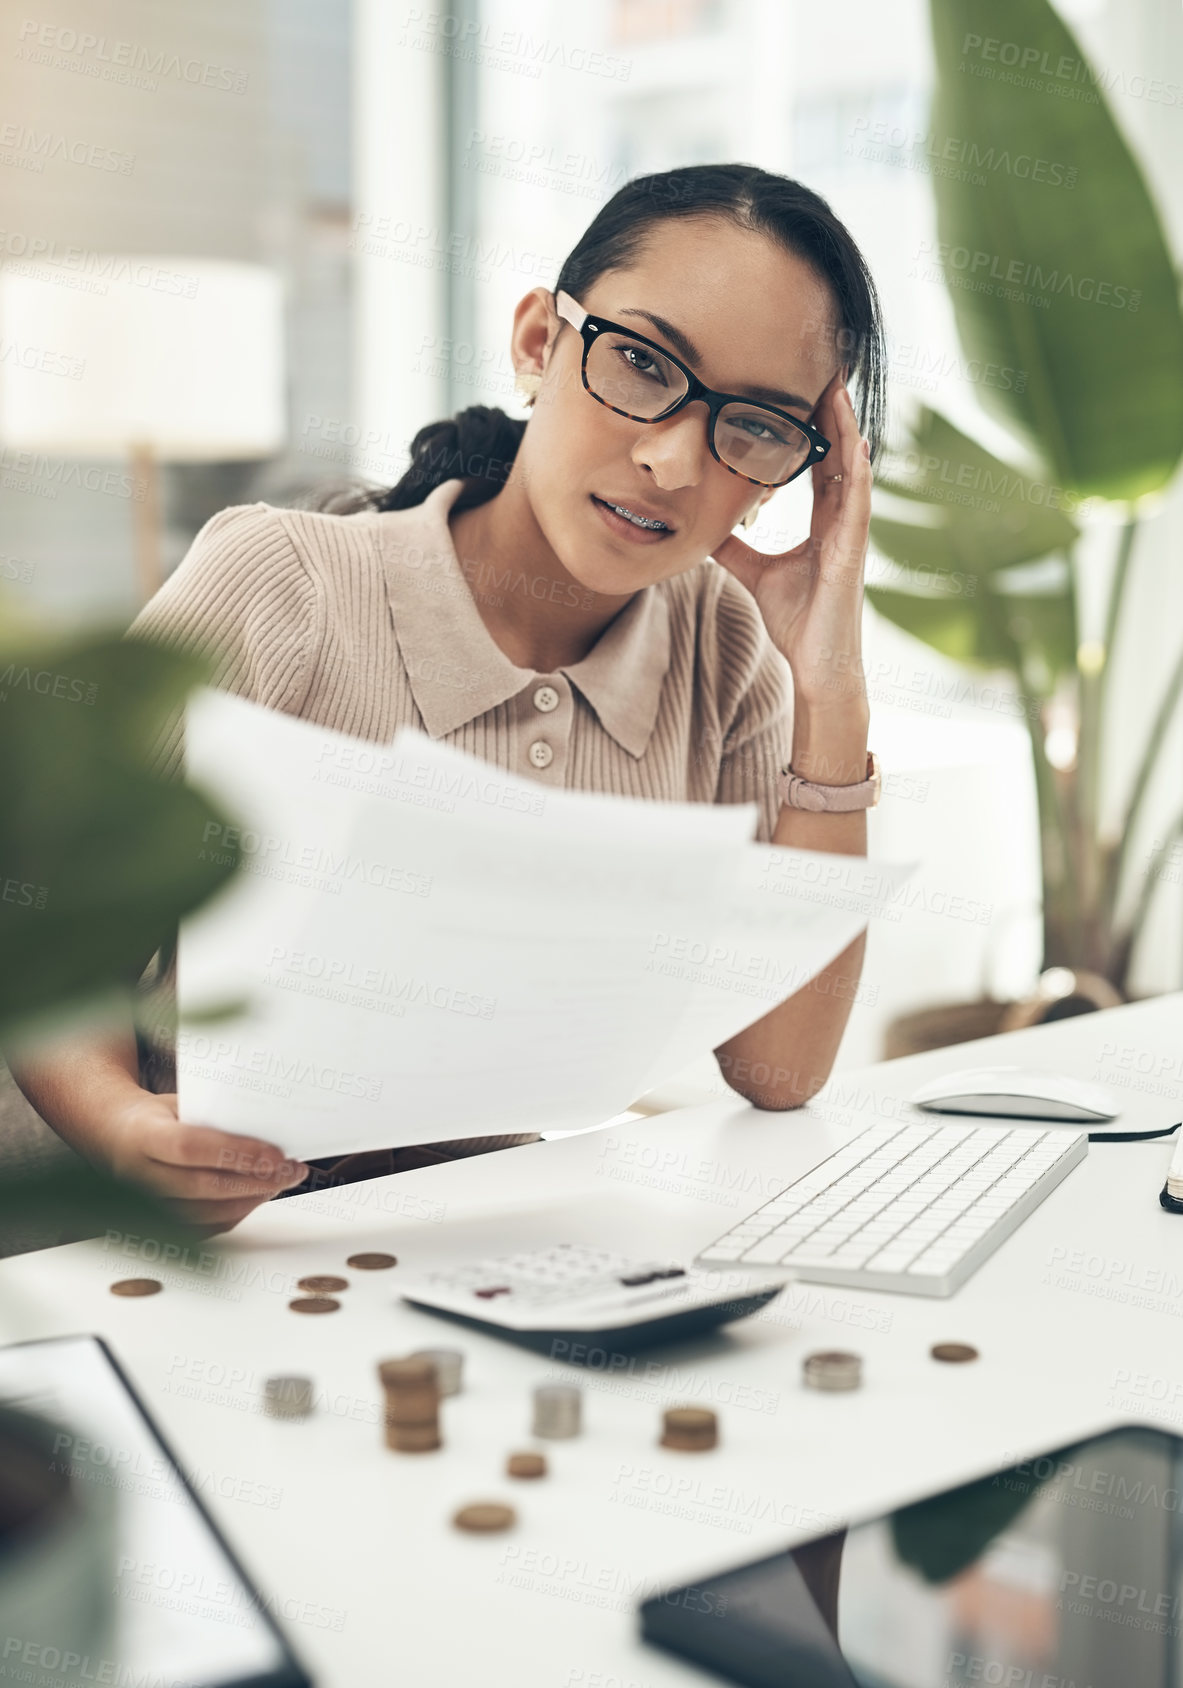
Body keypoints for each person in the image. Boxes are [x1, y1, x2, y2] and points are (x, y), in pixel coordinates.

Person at [9, 162, 885, 1234]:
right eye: (642, 364)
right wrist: (121, 1127)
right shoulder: (280, 580)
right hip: (131, 1247)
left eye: (752, 426)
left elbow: (778, 1066)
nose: (669, 459)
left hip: (461, 1257)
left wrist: (830, 688)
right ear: (537, 344)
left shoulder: (727, 655)